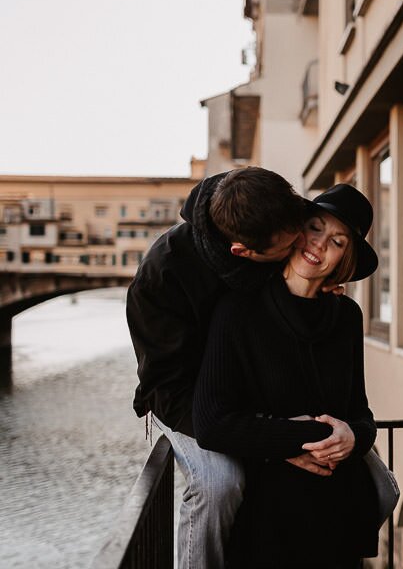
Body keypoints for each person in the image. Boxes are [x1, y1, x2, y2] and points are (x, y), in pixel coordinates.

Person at [127, 167, 322, 569]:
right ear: (242, 252)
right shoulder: (162, 277)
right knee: (219, 485)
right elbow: (168, 384)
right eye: (286, 250)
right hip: (188, 401)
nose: (299, 250)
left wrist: (332, 278)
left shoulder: (276, 209)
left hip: (261, 389)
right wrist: (267, 438)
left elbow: (332, 235)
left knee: (379, 485)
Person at [193, 183, 380, 568]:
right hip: (268, 515)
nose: (320, 244)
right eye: (315, 227)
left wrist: (354, 436)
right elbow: (213, 424)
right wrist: (303, 440)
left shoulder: (347, 317)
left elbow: (360, 413)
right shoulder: (238, 309)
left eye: (338, 241)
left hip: (337, 513)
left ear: (345, 258)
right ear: (297, 230)